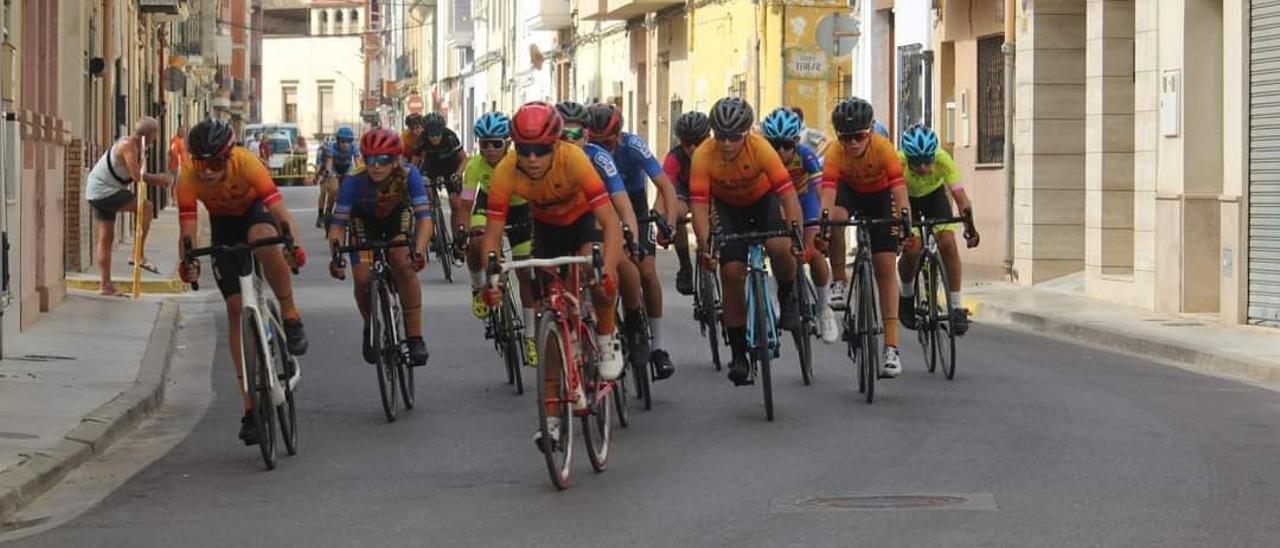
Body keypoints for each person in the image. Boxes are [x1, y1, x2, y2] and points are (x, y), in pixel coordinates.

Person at [479, 102, 625, 447]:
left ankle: (605, 340)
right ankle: (553, 420)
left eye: (541, 150)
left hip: (584, 222)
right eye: (525, 150)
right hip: (546, 229)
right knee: (548, 313)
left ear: (555, 145)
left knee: (598, 277)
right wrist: (492, 279)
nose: (532, 159)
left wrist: (607, 269)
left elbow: (610, 223)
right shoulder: (505, 171)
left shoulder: (574, 160)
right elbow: (492, 235)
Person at [176, 119, 309, 446]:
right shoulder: (188, 177)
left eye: (215, 163)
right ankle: (250, 408)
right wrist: (187, 264)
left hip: (254, 213)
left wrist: (295, 245)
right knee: (235, 308)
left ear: (228, 155)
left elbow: (280, 213)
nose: (206, 171)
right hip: (223, 226)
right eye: (201, 162)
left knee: (264, 238)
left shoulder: (247, 163)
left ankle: (290, 314)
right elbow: (188, 232)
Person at [689, 97, 805, 386]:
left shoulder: (761, 148)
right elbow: (700, 207)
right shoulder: (703, 156)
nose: (727, 143)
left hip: (763, 202)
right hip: (728, 210)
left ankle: (787, 293)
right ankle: (739, 354)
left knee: (780, 247)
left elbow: (788, 195)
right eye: (721, 136)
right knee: (730, 273)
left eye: (734, 137)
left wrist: (796, 235)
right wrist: (706, 248)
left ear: (747, 134)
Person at [586, 103, 679, 380]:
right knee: (614, 266)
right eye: (599, 142)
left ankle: (659, 347)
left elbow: (665, 186)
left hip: (635, 208)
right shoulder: (591, 155)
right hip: (604, 209)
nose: (607, 146)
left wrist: (670, 222)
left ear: (620, 134)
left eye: (610, 139)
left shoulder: (633, 145)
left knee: (647, 272)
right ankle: (618, 323)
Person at [819, 97, 911, 378]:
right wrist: (824, 225)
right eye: (846, 137)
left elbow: (899, 191)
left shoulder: (884, 149)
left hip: (880, 198)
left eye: (859, 136)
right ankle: (839, 281)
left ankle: (891, 348)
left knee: (884, 267)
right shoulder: (835, 153)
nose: (853, 143)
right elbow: (828, 194)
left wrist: (905, 219)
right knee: (835, 219)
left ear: (869, 131)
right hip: (850, 193)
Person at [559, 101, 652, 377]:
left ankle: (634, 323)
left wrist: (631, 240)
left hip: (599, 218)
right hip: (562, 223)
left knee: (626, 269)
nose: (568, 141)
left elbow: (623, 205)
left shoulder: (598, 157)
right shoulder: (544, 160)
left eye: (575, 135)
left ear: (586, 136)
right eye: (562, 135)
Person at [327, 128, 433, 366]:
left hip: (396, 218)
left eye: (383, 160)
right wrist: (336, 256)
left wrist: (420, 250)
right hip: (363, 221)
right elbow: (338, 225)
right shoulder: (354, 180)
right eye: (370, 159)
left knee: (402, 262)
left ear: (395, 159)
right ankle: (369, 325)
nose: (376, 166)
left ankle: (415, 337)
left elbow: (425, 219)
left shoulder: (409, 174)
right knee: (363, 280)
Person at [461, 111, 539, 365]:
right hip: (487, 207)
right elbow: (465, 205)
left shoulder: (521, 162)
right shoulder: (474, 166)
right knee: (476, 243)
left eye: (497, 143)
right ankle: (477, 287)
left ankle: (530, 336)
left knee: (525, 273)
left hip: (520, 210)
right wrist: (462, 231)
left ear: (508, 143)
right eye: (485, 144)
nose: (490, 149)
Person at [761, 107, 839, 344]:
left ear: (796, 141)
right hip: (779, 204)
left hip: (805, 203)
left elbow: (819, 189)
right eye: (774, 144)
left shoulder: (806, 155)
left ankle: (825, 308)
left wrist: (825, 221)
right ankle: (779, 298)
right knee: (780, 251)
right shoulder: (763, 156)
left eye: (786, 144)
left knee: (813, 254)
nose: (780, 151)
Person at [895, 123, 979, 336]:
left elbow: (960, 198)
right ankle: (906, 297)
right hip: (907, 199)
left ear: (934, 155)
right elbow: (892, 200)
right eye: (917, 162)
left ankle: (956, 306)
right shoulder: (898, 162)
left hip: (935, 197)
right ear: (908, 159)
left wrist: (970, 229)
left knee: (948, 243)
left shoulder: (943, 159)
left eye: (927, 161)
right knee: (912, 248)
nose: (923, 167)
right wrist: (899, 232)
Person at [85, 117, 173, 295]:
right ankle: (137, 254)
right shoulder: (128, 146)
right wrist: (159, 179)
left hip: (97, 192)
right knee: (146, 207)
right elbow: (137, 176)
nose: (155, 140)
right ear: (149, 135)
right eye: (154, 136)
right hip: (105, 191)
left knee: (106, 238)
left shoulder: (137, 146)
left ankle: (105, 285)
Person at [662, 111, 710, 297]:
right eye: (686, 143)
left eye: (698, 142)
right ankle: (685, 265)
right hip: (684, 191)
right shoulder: (674, 158)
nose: (692, 148)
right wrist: (667, 224)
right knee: (677, 213)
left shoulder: (716, 153)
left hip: (708, 190)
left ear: (708, 138)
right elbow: (664, 191)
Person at [413, 112, 468, 251]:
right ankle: (433, 232)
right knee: (427, 193)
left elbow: (464, 158)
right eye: (431, 135)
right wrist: (413, 181)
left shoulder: (450, 136)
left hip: (451, 167)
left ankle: (457, 240)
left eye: (438, 134)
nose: (435, 138)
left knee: (456, 204)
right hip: (431, 167)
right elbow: (414, 164)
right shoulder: (422, 139)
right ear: (426, 133)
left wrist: (459, 173)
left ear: (443, 131)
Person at [317, 127, 360, 228]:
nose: (346, 144)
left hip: (347, 167)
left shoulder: (354, 147)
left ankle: (349, 213)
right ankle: (327, 211)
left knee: (349, 190)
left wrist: (360, 173)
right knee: (334, 189)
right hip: (335, 168)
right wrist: (326, 173)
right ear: (338, 141)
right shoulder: (332, 148)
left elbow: (358, 163)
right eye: (343, 141)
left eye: (349, 141)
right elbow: (329, 163)